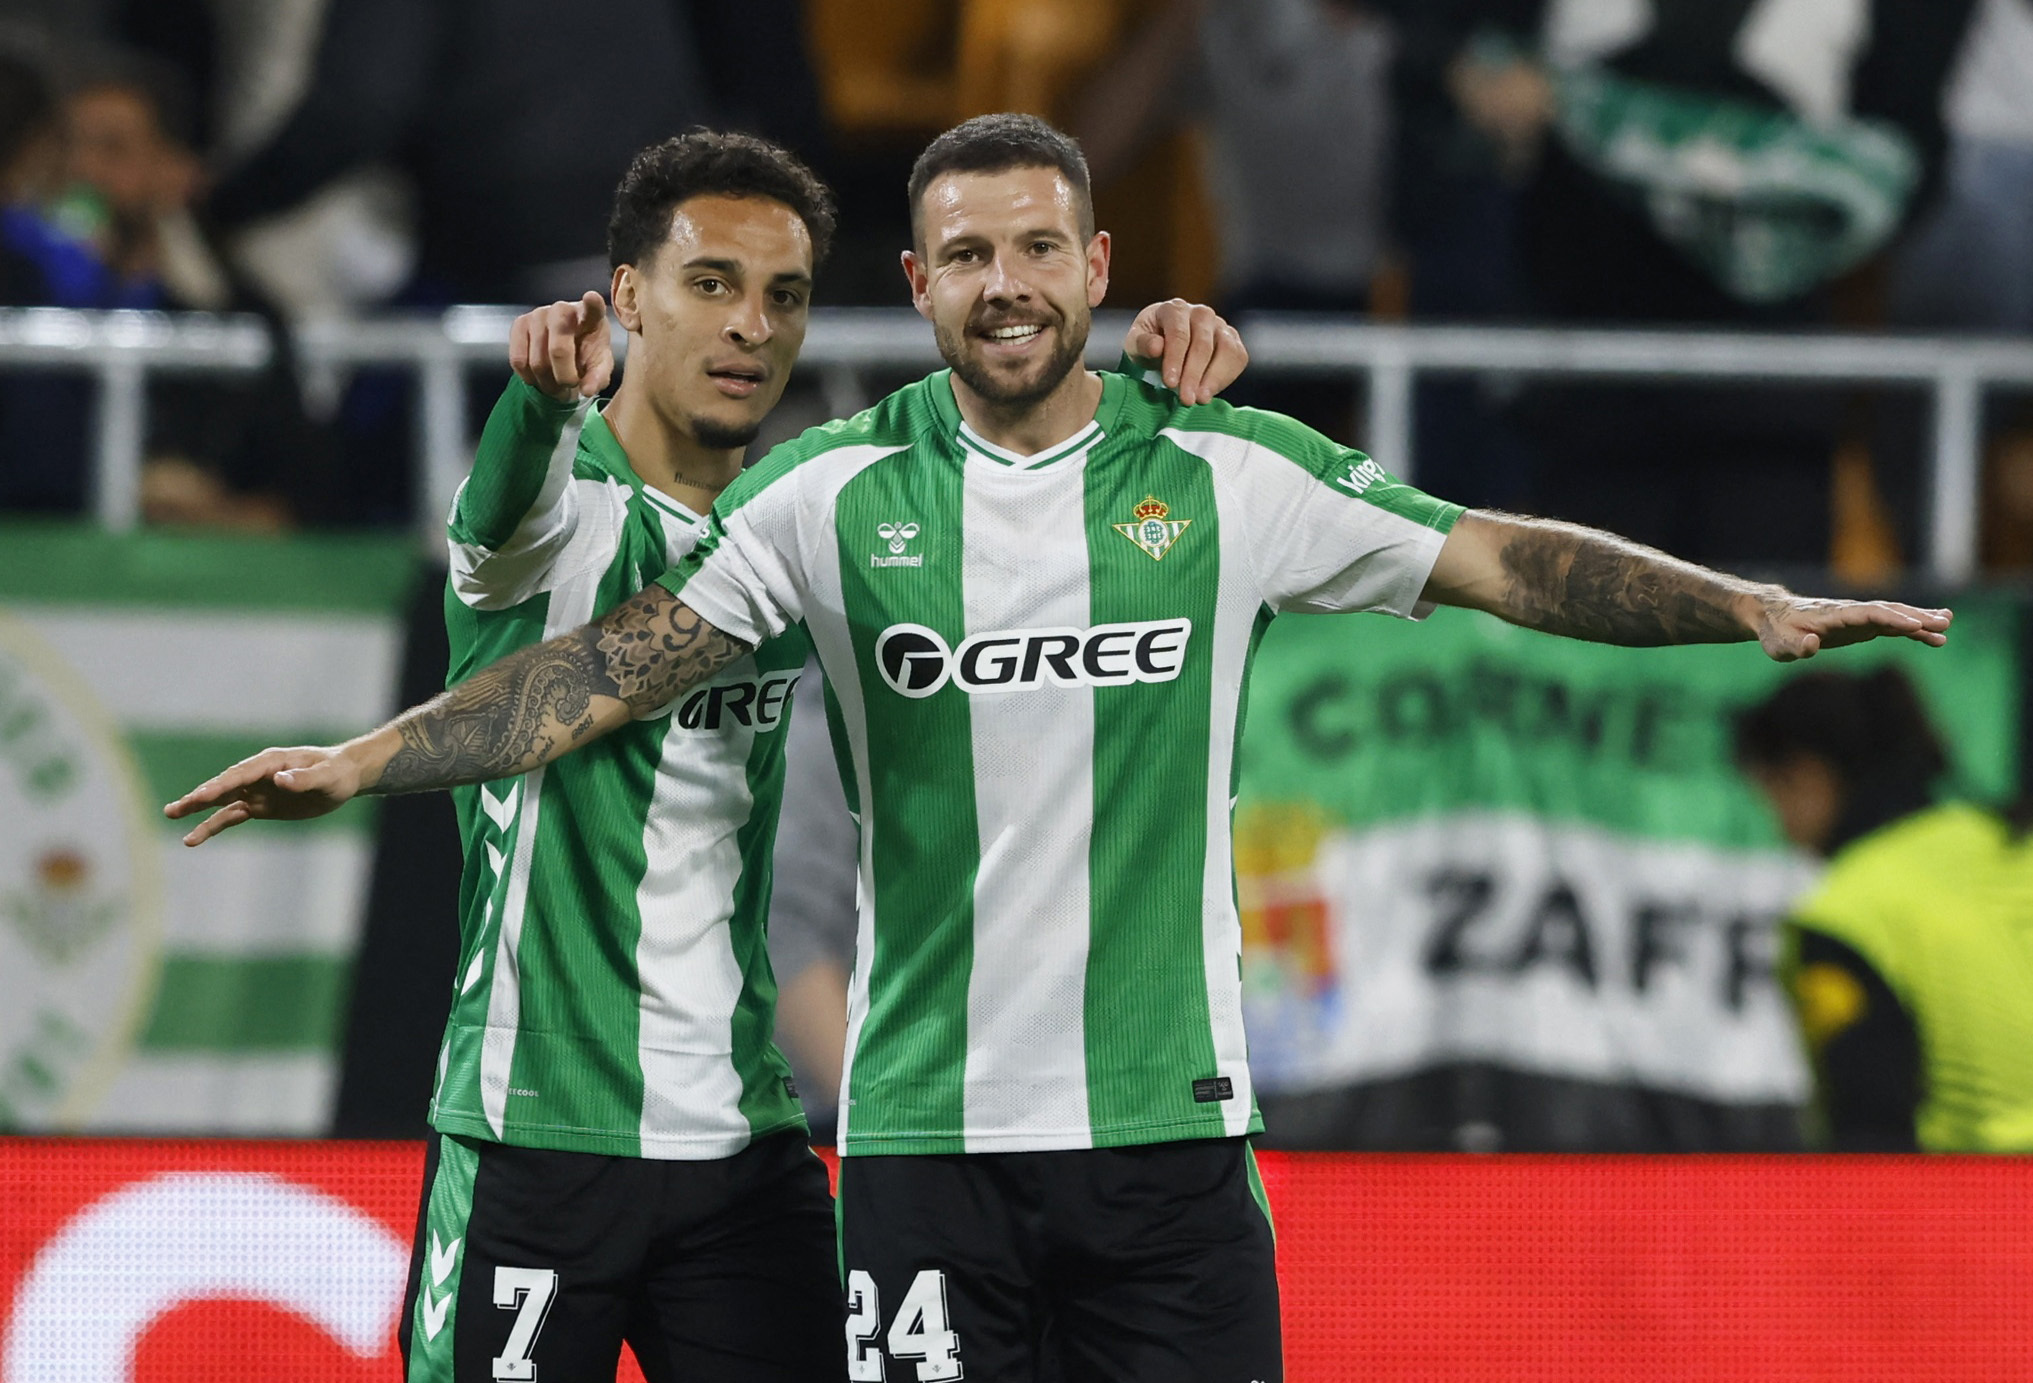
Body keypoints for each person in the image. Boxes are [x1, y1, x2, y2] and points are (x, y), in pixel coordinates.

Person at [168, 114, 1952, 1381]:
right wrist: (367, 756)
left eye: (1037, 248)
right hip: (923, 1156)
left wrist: (1743, 605)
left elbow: (1496, 557)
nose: (1005, 284)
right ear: (919, 285)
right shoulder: (824, 500)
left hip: (1172, 1148)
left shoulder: (1229, 468)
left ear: (1099, 265)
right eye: (965, 256)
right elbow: (591, 671)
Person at [170, 126, 1246, 1382]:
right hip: (537, 1135)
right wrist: (535, 402)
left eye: (782, 296)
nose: (751, 326)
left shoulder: (802, 526)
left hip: (744, 1147)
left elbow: (1012, 482)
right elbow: (502, 517)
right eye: (712, 284)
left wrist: (1155, 365)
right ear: (626, 295)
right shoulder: (551, 516)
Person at [1735, 667, 2033, 1152]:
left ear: (1806, 776)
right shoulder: (2014, 841)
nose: (1779, 827)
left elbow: (1870, 1135)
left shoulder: (1844, 916)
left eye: (1773, 793)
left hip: (1995, 1206)